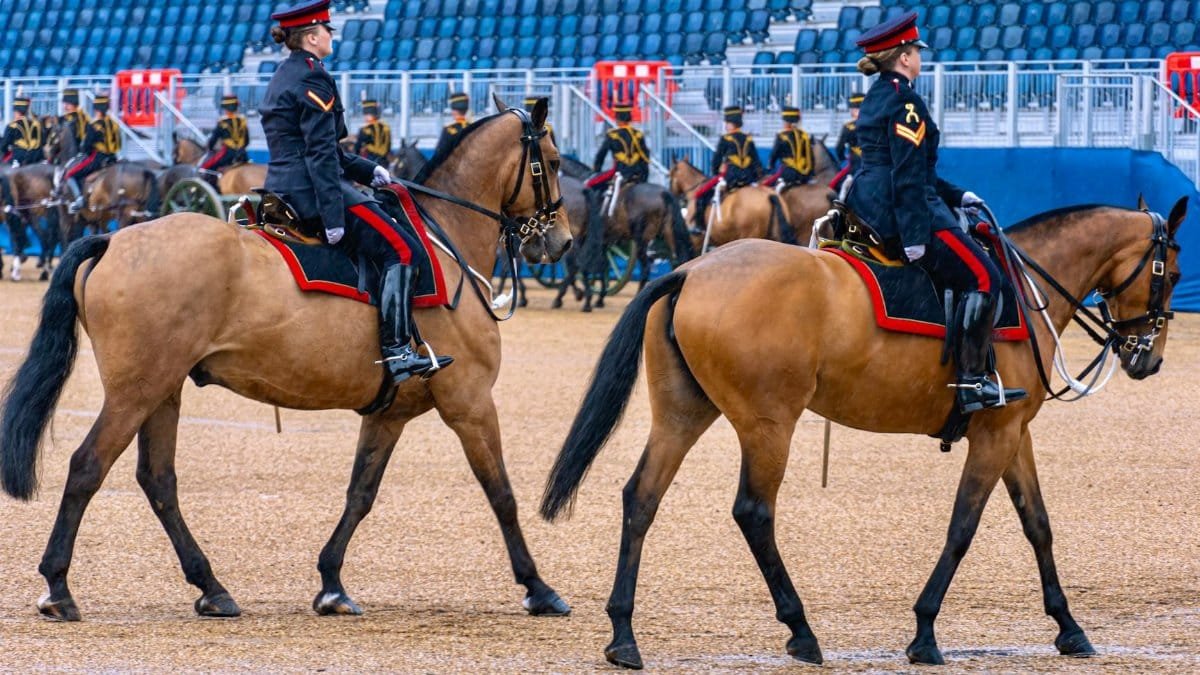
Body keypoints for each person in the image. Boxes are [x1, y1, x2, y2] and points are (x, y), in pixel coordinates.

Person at [261, 0, 451, 384]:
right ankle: (397, 351)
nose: (332, 36)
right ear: (312, 37)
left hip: (285, 184)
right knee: (403, 249)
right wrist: (333, 217)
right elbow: (319, 156)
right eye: (327, 31)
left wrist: (371, 171)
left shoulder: (286, 73)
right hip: (311, 192)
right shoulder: (313, 79)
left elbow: (321, 147)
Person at [845, 11, 1025, 414]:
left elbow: (906, 168)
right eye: (916, 52)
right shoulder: (905, 102)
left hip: (868, 205)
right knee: (984, 276)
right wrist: (913, 239)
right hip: (901, 211)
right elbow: (907, 177)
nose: (920, 59)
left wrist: (958, 196)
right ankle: (971, 381)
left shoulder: (877, 96)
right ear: (905, 56)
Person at [691, 105, 762, 231]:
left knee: (700, 194)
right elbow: (756, 161)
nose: (726, 125)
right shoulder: (748, 139)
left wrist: (716, 173)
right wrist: (756, 178)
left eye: (727, 123)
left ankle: (699, 226)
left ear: (731, 124)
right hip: (748, 178)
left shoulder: (725, 139)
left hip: (731, 177)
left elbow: (716, 160)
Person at [62, 92, 121, 213]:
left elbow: (87, 146)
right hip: (113, 157)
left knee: (70, 174)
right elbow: (119, 144)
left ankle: (79, 200)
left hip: (97, 158)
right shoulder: (114, 124)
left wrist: (84, 152)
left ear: (96, 109)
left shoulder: (94, 125)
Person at [584, 100, 649, 205]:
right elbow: (645, 158)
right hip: (637, 173)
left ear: (617, 119)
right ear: (629, 118)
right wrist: (644, 177)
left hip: (620, 172)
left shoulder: (613, 135)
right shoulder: (638, 135)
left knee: (589, 184)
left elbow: (601, 156)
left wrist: (596, 170)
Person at [762, 106, 812, 190]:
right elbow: (809, 157)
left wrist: (770, 166)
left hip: (788, 173)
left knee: (771, 190)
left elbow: (774, 154)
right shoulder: (804, 135)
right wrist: (810, 172)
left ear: (786, 122)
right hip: (804, 174)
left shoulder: (781, 136)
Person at [200, 94, 250, 173]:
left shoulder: (222, 122)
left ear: (226, 109)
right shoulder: (242, 121)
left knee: (206, 168)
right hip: (243, 154)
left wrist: (210, 148)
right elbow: (247, 141)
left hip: (228, 154)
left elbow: (214, 139)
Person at [831, 92, 864, 196]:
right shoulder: (877, 124)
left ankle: (841, 208)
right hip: (876, 167)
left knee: (834, 186)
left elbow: (839, 148)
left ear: (854, 110)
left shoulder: (848, 127)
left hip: (855, 168)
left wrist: (842, 158)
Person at [1, 96, 44, 166]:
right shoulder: (37, 124)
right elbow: (43, 142)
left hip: (18, 159)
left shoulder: (12, 126)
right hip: (37, 159)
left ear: (16, 111)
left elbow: (3, 146)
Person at [353, 99, 391, 165]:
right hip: (384, 160)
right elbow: (388, 145)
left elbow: (357, 147)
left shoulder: (365, 129)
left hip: (370, 160)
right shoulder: (386, 127)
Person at [433, 91, 469, 157]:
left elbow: (439, 152)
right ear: (466, 110)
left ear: (453, 111)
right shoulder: (475, 127)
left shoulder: (448, 129)